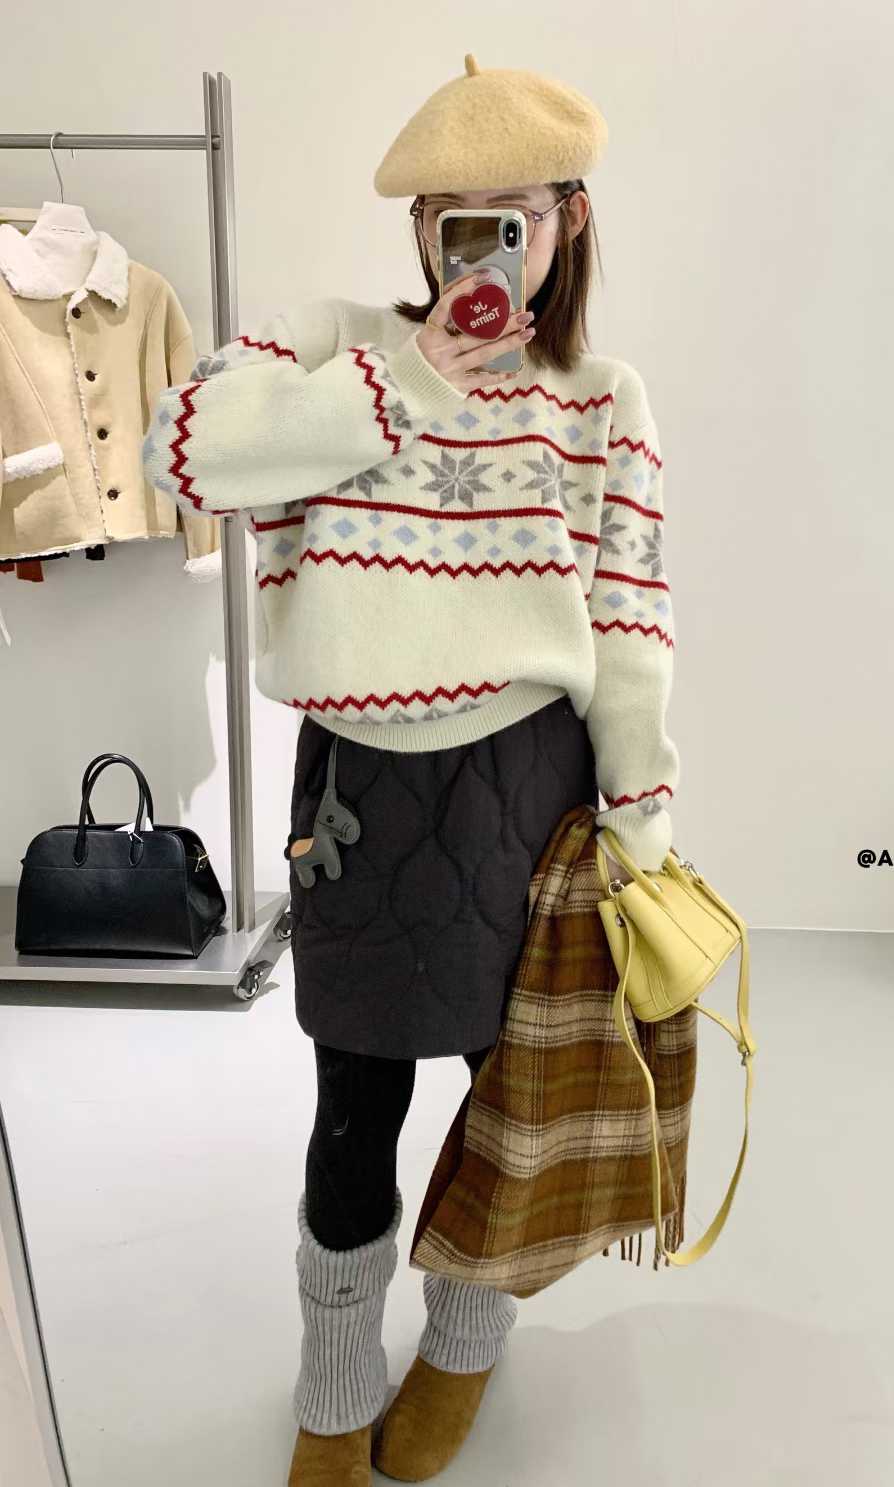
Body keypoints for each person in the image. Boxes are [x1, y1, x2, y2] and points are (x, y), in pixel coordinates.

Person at [142, 52, 679, 1487]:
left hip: (532, 785)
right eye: (451, 220)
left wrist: (641, 814)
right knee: (354, 1101)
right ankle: (333, 1380)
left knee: (512, 1103)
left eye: (513, 217)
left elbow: (630, 618)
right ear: (420, 231)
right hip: (361, 791)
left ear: (568, 220)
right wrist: (407, 375)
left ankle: (462, 1347)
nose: (477, 248)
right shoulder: (335, 345)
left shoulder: (600, 400)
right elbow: (186, 455)